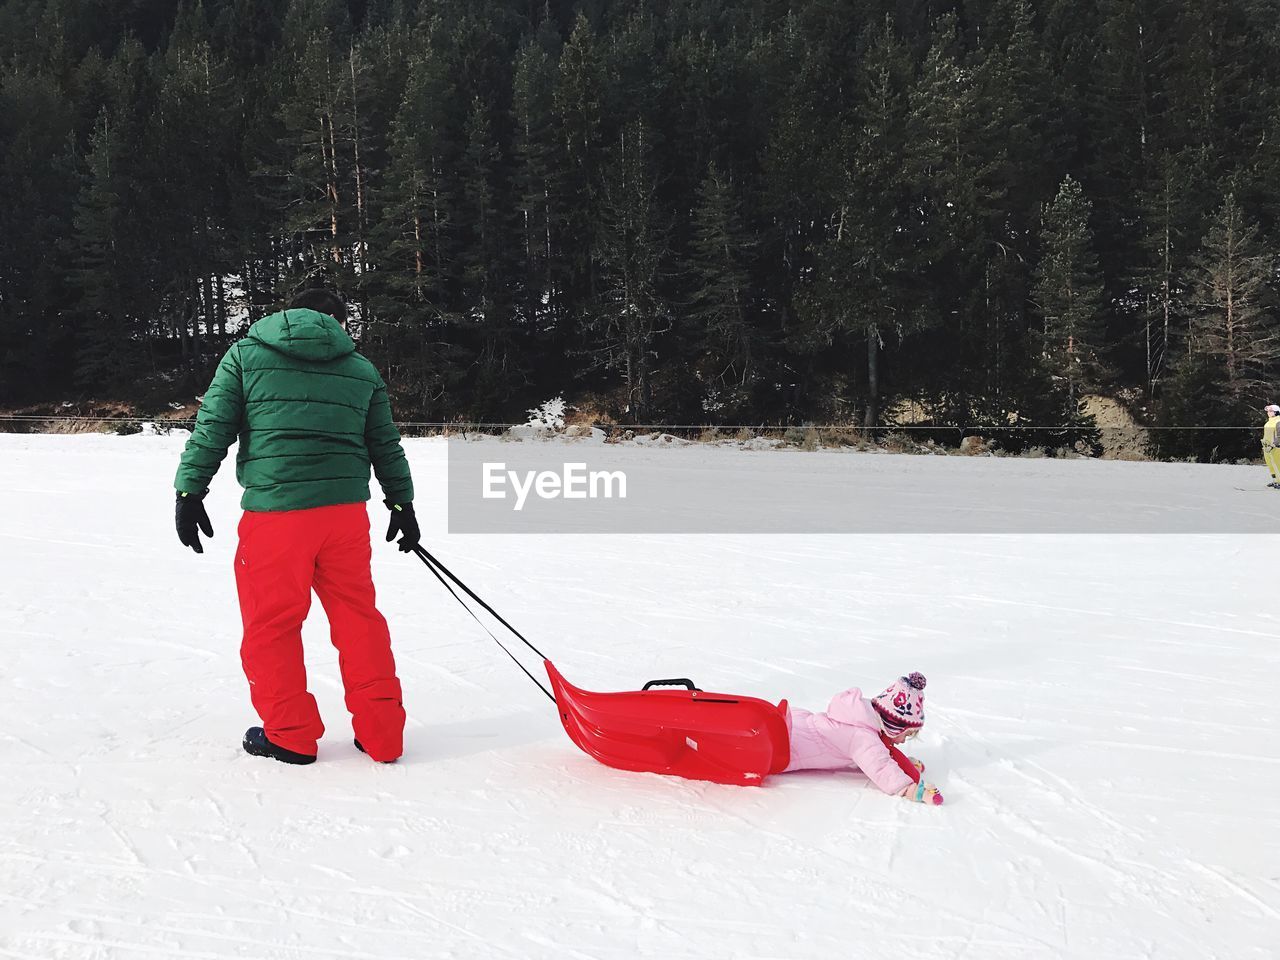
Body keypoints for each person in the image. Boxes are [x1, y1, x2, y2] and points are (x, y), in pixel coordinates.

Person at [173, 289, 419, 765]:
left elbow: (213, 428)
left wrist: (190, 491)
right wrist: (402, 504)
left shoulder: (246, 355)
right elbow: (385, 444)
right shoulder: (360, 369)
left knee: (273, 625)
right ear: (338, 321)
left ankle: (290, 733)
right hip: (345, 515)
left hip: (277, 516)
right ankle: (383, 734)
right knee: (358, 619)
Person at [781, 671, 944, 804]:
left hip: (796, 722)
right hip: (789, 746)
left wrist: (901, 764)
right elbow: (880, 766)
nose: (902, 741)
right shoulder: (862, 736)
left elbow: (874, 757)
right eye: (906, 735)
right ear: (894, 725)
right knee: (776, 751)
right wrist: (912, 789)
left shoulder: (859, 715)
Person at [1263, 404, 1280, 489]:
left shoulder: (1278, 421)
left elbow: (1279, 436)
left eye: (1270, 411)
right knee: (1271, 465)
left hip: (1276, 448)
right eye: (1268, 411)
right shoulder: (1267, 423)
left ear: (1276, 412)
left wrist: (1275, 445)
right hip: (1267, 448)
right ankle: (1275, 481)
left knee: (1278, 465)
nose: (1268, 413)